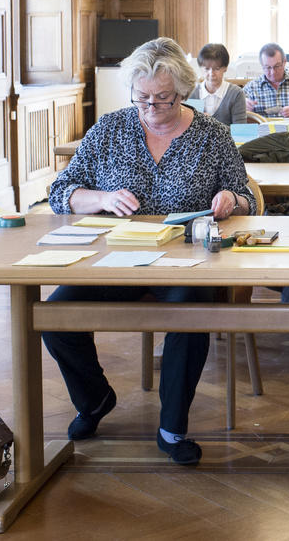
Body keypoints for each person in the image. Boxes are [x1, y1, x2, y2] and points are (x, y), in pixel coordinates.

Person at [44, 37, 254, 465]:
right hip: (116, 258)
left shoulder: (211, 135)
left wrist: (232, 201)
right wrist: (100, 198)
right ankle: (96, 399)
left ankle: (172, 428)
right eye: (143, 98)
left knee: (192, 314)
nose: (152, 108)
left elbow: (245, 193)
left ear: (182, 91)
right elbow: (60, 192)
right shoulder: (110, 128)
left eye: (164, 98)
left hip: (185, 260)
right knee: (54, 319)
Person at [188, 42, 247, 125]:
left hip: (229, 138)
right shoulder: (193, 93)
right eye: (207, 69)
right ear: (201, 68)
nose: (211, 73)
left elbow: (240, 131)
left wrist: (213, 124)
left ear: (225, 68)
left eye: (217, 69)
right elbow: (189, 129)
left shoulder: (236, 93)